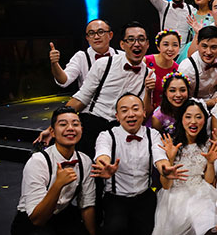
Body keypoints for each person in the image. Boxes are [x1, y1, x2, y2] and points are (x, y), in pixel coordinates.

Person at [36, 21, 154, 158]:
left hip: (121, 128)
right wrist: (52, 128)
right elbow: (81, 98)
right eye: (131, 39)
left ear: (147, 44)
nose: (136, 44)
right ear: (123, 44)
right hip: (93, 122)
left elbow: (145, 112)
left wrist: (149, 90)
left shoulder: (149, 74)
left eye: (141, 39)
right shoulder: (104, 64)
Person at [91, 93, 180, 235]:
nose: (130, 114)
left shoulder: (153, 135)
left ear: (144, 113)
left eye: (135, 109)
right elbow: (103, 154)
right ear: (117, 116)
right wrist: (105, 166)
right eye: (124, 110)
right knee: (115, 229)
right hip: (115, 198)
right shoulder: (107, 135)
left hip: (145, 196)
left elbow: (159, 157)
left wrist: (165, 169)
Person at [11, 107, 96, 235]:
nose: (70, 128)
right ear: (52, 132)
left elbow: (87, 204)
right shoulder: (38, 161)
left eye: (75, 124)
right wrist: (58, 185)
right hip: (32, 218)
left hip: (62, 213)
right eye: (63, 124)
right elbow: (37, 219)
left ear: (81, 130)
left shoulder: (85, 161)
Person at [152, 99, 217, 235]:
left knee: (208, 224)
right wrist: (171, 159)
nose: (193, 122)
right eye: (188, 117)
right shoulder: (169, 145)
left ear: (204, 120)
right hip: (175, 195)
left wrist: (210, 162)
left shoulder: (208, 145)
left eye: (198, 117)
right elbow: (166, 186)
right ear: (181, 119)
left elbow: (209, 181)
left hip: (202, 193)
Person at [49, 19, 121, 88]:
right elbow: (64, 81)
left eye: (101, 32)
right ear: (87, 38)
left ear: (110, 35)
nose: (96, 37)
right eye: (91, 33)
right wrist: (55, 64)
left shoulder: (122, 56)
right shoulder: (81, 57)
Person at [177, 25, 217, 108]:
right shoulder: (187, 68)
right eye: (204, 46)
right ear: (197, 44)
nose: (208, 52)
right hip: (193, 109)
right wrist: (208, 103)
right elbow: (181, 100)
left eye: (213, 47)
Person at [144, 29, 180, 110]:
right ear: (158, 46)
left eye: (175, 45)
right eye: (166, 44)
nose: (170, 49)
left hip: (165, 112)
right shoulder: (146, 61)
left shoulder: (178, 69)